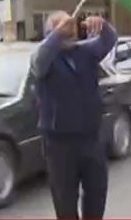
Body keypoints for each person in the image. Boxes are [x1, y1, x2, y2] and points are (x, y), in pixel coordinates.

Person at [31, 11, 117, 219]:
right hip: (59, 142)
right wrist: (58, 34)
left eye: (71, 27)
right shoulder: (45, 58)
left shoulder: (85, 52)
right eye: (63, 28)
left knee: (97, 193)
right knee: (65, 200)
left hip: (90, 137)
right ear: (50, 33)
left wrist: (103, 25)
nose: (70, 31)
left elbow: (109, 40)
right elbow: (39, 62)